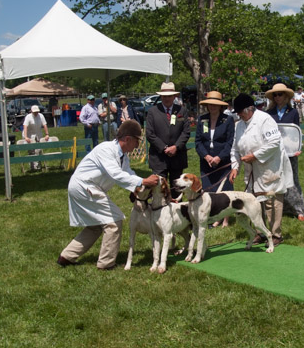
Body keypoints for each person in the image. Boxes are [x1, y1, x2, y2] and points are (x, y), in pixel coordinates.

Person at [57, 120, 160, 270]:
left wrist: (140, 186)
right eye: (137, 141)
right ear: (128, 139)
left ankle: (66, 256)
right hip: (85, 187)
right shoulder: (105, 150)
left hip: (86, 187)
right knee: (114, 220)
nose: (137, 145)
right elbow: (116, 174)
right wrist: (143, 180)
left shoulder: (123, 156)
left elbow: (127, 173)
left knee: (95, 226)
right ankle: (106, 263)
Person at [229, 93, 294, 247]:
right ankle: (261, 232)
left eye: (240, 112)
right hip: (251, 167)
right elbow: (235, 148)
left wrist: (255, 156)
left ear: (248, 109)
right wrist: (234, 166)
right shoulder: (239, 125)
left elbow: (274, 142)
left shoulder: (265, 119)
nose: (238, 115)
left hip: (269, 165)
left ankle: (276, 234)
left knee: (272, 199)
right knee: (254, 201)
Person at [265, 83, 304, 221]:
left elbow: (296, 132)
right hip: (274, 151)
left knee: (293, 179)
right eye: (275, 95)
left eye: (280, 94)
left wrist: (297, 148)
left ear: (286, 96)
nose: (277, 97)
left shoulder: (293, 112)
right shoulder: (268, 114)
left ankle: (299, 209)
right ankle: (278, 207)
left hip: (290, 152)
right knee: (275, 179)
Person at [195, 91, 235, 227]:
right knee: (208, 189)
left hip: (222, 160)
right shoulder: (202, 119)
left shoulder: (228, 120)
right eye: (210, 104)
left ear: (220, 106)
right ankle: (212, 217)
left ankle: (225, 219)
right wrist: (206, 156)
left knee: (225, 189)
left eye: (215, 104)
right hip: (206, 160)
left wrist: (219, 157)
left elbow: (230, 142)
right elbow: (198, 142)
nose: (212, 106)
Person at [146, 82, 191, 198]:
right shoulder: (152, 112)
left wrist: (176, 147)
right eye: (164, 96)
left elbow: (186, 132)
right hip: (159, 158)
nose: (167, 98)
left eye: (169, 96)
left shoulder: (182, 111)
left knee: (177, 189)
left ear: (174, 96)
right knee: (159, 189)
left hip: (177, 157)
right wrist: (164, 148)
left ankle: (177, 213)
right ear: (161, 97)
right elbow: (150, 134)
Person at [23, 105, 50, 170]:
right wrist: (26, 137)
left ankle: (38, 166)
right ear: (31, 111)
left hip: (38, 134)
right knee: (32, 151)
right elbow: (25, 126)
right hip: (30, 135)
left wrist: (47, 134)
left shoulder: (41, 116)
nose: (36, 113)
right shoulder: (28, 117)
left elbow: (44, 125)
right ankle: (33, 166)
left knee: (39, 150)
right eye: (35, 112)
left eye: (37, 112)